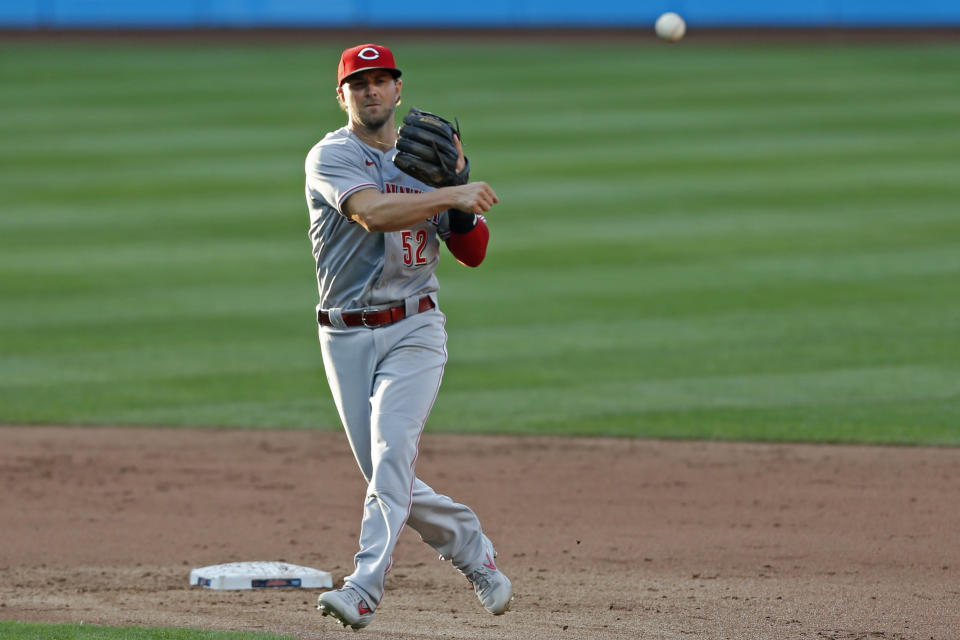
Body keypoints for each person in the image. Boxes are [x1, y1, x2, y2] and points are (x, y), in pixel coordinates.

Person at [303, 43, 513, 631]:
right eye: (359, 82)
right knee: (385, 476)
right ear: (341, 96)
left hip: (415, 327)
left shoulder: (427, 157)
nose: (372, 90)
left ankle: (364, 587)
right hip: (343, 334)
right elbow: (371, 212)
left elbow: (472, 255)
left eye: (382, 80)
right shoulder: (330, 156)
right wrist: (451, 194)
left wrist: (463, 202)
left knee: (394, 456)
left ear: (398, 90)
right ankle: (473, 549)